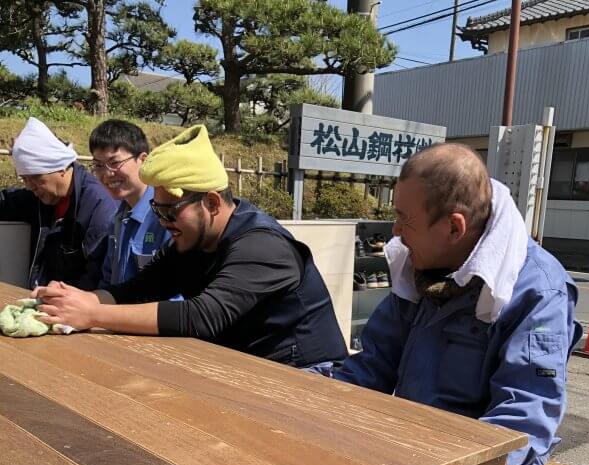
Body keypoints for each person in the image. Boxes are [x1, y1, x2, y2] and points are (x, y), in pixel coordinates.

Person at [313, 143, 582, 465]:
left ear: (455, 226)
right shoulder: (418, 261)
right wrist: (303, 394)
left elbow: (525, 419)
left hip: (495, 461)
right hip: (415, 441)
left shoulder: (536, 289)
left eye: (404, 219)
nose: (393, 231)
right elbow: (374, 366)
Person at [33, 124, 348, 368]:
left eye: (170, 211)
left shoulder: (261, 246)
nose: (163, 221)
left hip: (306, 373)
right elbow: (140, 288)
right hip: (247, 367)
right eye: (156, 210)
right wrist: (77, 299)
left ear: (211, 202)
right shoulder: (193, 243)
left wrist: (92, 315)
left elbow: (201, 316)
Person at [0, 117, 116, 290]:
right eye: (24, 179)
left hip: (74, 306)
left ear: (61, 168)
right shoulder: (39, 197)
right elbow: (5, 201)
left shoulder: (97, 206)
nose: (30, 186)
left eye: (36, 178)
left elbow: (96, 274)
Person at [88, 119, 171, 290]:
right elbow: (109, 280)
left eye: (115, 163)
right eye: (98, 165)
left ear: (143, 160)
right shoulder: (117, 220)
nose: (107, 174)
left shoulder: (168, 218)